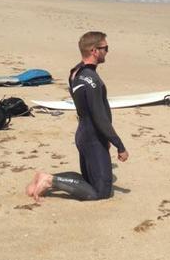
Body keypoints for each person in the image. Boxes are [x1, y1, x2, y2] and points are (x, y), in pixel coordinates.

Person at [26, 31, 129, 202]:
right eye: (105, 48)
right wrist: (119, 145)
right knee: (100, 192)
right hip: (93, 138)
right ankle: (50, 180)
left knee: (89, 182)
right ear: (94, 51)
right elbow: (99, 117)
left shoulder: (75, 72)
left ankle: (46, 178)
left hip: (85, 134)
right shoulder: (92, 81)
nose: (107, 52)